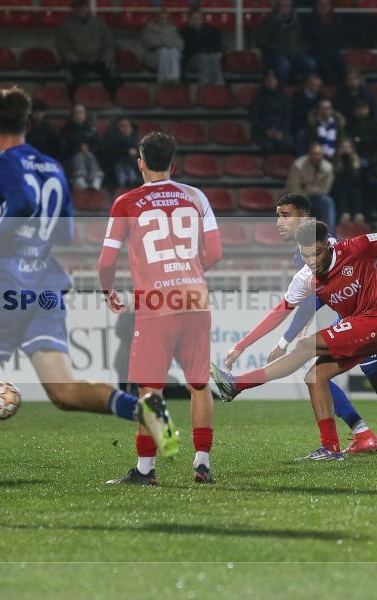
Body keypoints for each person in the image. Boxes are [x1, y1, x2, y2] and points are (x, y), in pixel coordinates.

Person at [0, 87, 177, 514]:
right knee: (63, 391)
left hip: (5, 287)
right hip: (45, 285)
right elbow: (63, 232)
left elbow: (25, 204)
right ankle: (139, 407)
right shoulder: (52, 166)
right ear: (28, 123)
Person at [210, 184, 377, 458]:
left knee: (306, 348)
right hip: (356, 328)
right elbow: (281, 311)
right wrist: (244, 345)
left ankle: (237, 385)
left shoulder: (358, 248)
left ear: (327, 245)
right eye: (306, 256)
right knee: (374, 389)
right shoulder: (306, 274)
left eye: (316, 254)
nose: (311, 261)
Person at [98, 131, 223, 485]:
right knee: (199, 383)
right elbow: (215, 253)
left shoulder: (126, 202)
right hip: (196, 299)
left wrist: (108, 291)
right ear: (173, 164)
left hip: (155, 304)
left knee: (149, 389)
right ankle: (202, 464)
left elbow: (106, 262)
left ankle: (145, 469)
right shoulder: (196, 197)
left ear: (140, 164)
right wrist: (191, 272)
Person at [222, 193, 377, 457]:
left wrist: (283, 342)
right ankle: (361, 434)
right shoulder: (309, 247)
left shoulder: (317, 248)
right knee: (320, 375)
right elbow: (306, 299)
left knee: (314, 371)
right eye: (277, 215)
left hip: (365, 319)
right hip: (355, 316)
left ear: (304, 218)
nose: (279, 222)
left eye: (285, 215)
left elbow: (308, 302)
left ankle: (237, 385)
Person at [56, 0, 118, 102]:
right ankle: (72, 103)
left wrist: (107, 57)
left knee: (112, 78)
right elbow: (61, 45)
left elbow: (109, 41)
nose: (81, 9)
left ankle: (112, 101)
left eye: (83, 7)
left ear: (87, 8)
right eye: (78, 7)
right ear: (74, 9)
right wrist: (69, 57)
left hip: (98, 58)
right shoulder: (66, 25)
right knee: (71, 81)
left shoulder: (99, 22)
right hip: (77, 60)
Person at [256, 0, 315, 85]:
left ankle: (309, 91)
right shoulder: (269, 20)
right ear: (278, 6)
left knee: (310, 63)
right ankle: (281, 90)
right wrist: (275, 48)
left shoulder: (298, 21)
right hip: (275, 56)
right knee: (284, 64)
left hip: (296, 55)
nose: (286, 7)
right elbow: (260, 40)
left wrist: (301, 49)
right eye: (283, 5)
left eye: (288, 5)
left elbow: (306, 40)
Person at [285, 143, 336, 231]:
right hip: (299, 197)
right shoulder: (298, 165)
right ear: (309, 154)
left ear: (322, 155)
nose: (316, 156)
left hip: (316, 198)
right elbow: (292, 187)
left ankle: (329, 235)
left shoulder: (328, 168)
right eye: (314, 153)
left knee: (327, 201)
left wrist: (307, 187)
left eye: (319, 154)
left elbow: (324, 190)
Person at [60, 103, 104, 191]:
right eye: (77, 113)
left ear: (85, 114)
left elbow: (99, 147)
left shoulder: (92, 129)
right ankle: (79, 179)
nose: (79, 115)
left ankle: (96, 180)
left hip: (89, 158)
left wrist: (89, 149)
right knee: (79, 156)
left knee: (90, 156)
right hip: (72, 161)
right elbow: (62, 149)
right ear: (72, 115)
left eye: (81, 113)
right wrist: (78, 148)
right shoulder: (66, 130)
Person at [250, 70, 295, 155]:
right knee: (268, 147)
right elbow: (254, 116)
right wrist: (266, 130)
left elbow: (287, 116)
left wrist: (281, 131)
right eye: (268, 79)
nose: (271, 81)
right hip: (262, 131)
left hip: (279, 130)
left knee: (289, 144)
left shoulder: (283, 96)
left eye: (273, 79)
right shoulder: (258, 96)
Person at [302, 0, 346, 85]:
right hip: (316, 50)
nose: (323, 6)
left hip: (333, 49)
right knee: (323, 63)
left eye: (326, 4)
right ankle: (329, 86)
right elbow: (313, 37)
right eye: (321, 4)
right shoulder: (309, 20)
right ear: (316, 5)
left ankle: (343, 86)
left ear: (330, 6)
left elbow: (339, 37)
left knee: (341, 62)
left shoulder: (337, 19)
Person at [180, 7, 223, 85]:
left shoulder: (212, 30)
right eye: (193, 18)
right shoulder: (184, 32)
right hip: (192, 60)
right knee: (203, 57)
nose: (196, 20)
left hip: (211, 57)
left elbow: (219, 46)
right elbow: (186, 50)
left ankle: (218, 85)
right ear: (189, 19)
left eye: (198, 18)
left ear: (202, 18)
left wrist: (212, 51)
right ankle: (204, 85)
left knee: (214, 57)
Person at [98, 116, 141, 189]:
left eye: (128, 126)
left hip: (133, 167)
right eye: (123, 126)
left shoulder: (135, 140)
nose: (126, 129)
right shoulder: (111, 139)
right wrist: (126, 152)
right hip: (114, 170)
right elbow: (109, 154)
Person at [142, 11, 184, 84]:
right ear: (157, 18)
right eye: (161, 18)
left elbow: (180, 45)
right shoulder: (149, 29)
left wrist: (163, 42)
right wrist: (168, 43)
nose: (164, 20)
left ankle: (174, 79)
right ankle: (164, 81)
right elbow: (150, 44)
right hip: (153, 57)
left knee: (173, 51)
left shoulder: (173, 29)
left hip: (171, 56)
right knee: (164, 51)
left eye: (166, 18)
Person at [331, 139, 365, 224]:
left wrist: (350, 164)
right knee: (342, 189)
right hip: (339, 187)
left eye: (347, 147)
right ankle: (343, 214)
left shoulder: (357, 161)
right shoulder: (334, 161)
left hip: (354, 187)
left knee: (357, 190)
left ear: (352, 149)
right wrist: (344, 161)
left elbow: (358, 180)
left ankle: (357, 214)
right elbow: (337, 179)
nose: (345, 150)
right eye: (343, 147)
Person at [291, 74, 322, 142]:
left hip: (318, 125)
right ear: (307, 85)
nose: (318, 88)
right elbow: (297, 114)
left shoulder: (321, 96)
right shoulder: (298, 96)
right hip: (301, 126)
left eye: (319, 86)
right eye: (315, 86)